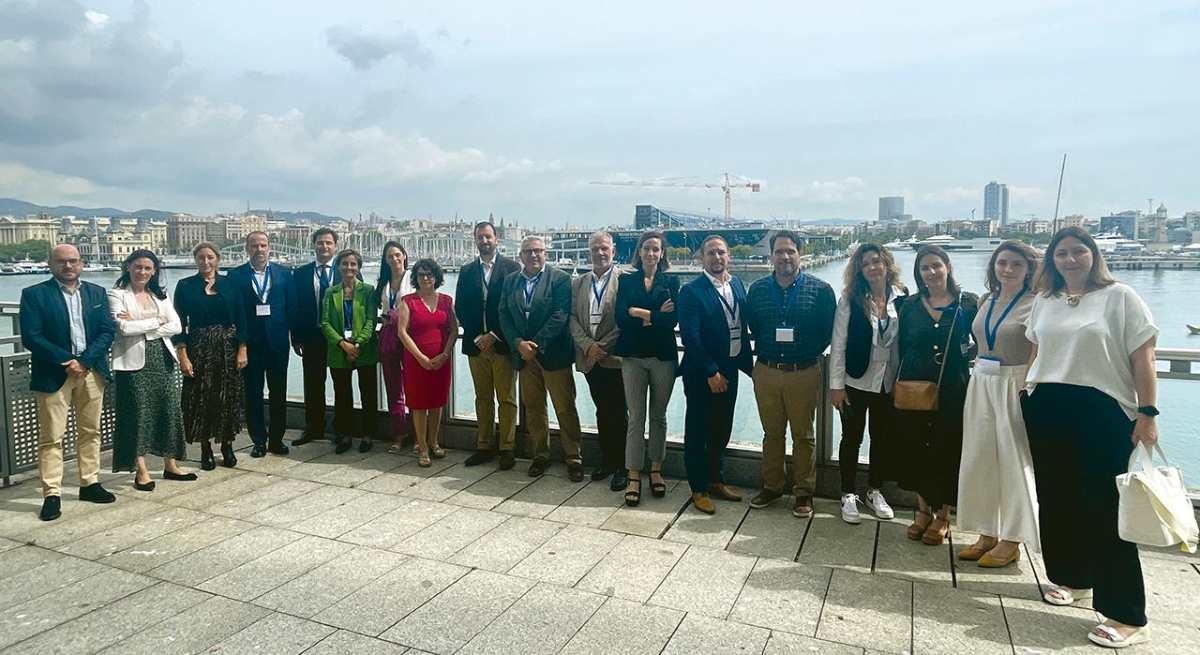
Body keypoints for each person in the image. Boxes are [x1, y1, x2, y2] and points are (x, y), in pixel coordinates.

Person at [1021, 226, 1158, 649]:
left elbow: (1144, 356)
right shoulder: (1045, 299)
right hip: (1048, 405)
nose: (1070, 259)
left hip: (1102, 409)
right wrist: (1026, 389)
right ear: (1052, 260)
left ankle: (1126, 613)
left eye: (1078, 251)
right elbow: (1036, 348)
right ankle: (1073, 577)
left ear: (1094, 255)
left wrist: (1148, 412)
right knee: (1057, 497)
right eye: (1061, 253)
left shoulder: (1121, 297)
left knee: (1104, 506)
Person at [957, 241, 1041, 566]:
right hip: (982, 380)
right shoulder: (986, 300)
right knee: (979, 457)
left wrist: (1027, 386)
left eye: (1016, 264)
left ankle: (1012, 539)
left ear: (1029, 269)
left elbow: (1039, 349)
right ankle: (986, 532)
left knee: (1013, 460)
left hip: (1014, 382)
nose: (1008, 269)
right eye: (1002, 262)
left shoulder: (1036, 303)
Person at [19, 244, 117, 521]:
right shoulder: (34, 295)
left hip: (91, 370)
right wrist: (67, 360)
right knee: (52, 436)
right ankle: (52, 493)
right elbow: (32, 336)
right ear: (50, 264)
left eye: (73, 261)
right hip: (53, 373)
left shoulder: (96, 293)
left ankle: (89, 483)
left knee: (91, 431)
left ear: (81, 263)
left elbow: (106, 331)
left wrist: (84, 361)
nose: (68, 266)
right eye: (61, 261)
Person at [744, 230, 836, 519]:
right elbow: (753, 325)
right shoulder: (757, 289)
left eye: (790, 251)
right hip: (767, 370)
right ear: (771, 255)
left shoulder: (821, 290)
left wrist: (804, 351)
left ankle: (803, 492)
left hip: (803, 371)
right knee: (771, 433)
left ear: (799, 253)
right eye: (779, 251)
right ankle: (772, 486)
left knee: (803, 435)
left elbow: (827, 332)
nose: (784, 256)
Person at [894, 245, 979, 546]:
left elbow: (982, 342)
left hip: (952, 387)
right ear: (919, 273)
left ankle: (943, 515)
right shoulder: (909, 305)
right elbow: (901, 345)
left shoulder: (968, 303)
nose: (931, 272)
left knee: (947, 447)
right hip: (914, 386)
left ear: (947, 267)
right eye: (924, 268)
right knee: (916, 446)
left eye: (936, 265)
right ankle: (922, 511)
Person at [677, 236, 753, 514]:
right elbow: (690, 337)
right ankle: (698, 489)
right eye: (711, 253)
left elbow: (741, 327)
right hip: (702, 373)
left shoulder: (737, 284)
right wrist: (711, 371)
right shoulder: (691, 291)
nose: (716, 257)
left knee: (722, 429)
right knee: (698, 432)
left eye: (721, 252)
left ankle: (715, 480)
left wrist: (751, 369)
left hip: (730, 368)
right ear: (702, 258)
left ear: (728, 255)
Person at [498, 236, 584, 480]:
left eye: (537, 251)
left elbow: (561, 314)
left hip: (553, 354)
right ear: (520, 256)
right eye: (528, 251)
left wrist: (535, 344)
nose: (533, 255)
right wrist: (518, 343)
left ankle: (574, 457)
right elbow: (504, 314)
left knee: (565, 408)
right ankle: (540, 455)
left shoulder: (560, 278)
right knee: (534, 407)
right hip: (525, 358)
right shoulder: (511, 281)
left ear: (545, 254)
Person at [828, 243, 903, 524]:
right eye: (865, 264)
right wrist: (837, 386)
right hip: (855, 382)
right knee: (851, 438)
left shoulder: (902, 298)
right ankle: (848, 493)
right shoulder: (850, 299)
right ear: (859, 270)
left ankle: (874, 491)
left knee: (881, 439)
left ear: (886, 264)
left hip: (887, 382)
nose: (872, 267)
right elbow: (839, 343)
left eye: (876, 261)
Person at [108, 250, 194, 491]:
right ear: (128, 267)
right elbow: (123, 328)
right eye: (138, 267)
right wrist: (157, 321)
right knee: (137, 414)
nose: (142, 272)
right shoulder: (116, 295)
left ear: (154, 271)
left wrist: (142, 327)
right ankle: (141, 470)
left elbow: (176, 326)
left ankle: (171, 464)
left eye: (147, 268)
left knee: (168, 409)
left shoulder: (160, 295)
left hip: (162, 360)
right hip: (132, 364)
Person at [614, 231, 679, 506]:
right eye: (646, 248)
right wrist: (654, 315)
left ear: (662, 253)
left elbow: (672, 320)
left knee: (658, 416)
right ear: (639, 252)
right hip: (633, 357)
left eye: (656, 249)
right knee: (635, 418)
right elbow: (620, 317)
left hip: (663, 358)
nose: (651, 253)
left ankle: (655, 470)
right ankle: (633, 475)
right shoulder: (626, 280)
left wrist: (638, 312)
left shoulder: (672, 282)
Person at [174, 242, 247, 470]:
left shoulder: (231, 284)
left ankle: (227, 444)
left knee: (228, 397)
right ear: (195, 260)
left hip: (227, 348)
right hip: (198, 348)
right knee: (201, 398)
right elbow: (179, 323)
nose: (206, 262)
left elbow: (241, 318)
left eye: (210, 257)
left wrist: (242, 348)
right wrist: (182, 354)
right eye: (201, 258)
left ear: (218, 259)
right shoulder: (185, 286)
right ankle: (205, 446)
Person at [457, 221, 521, 469]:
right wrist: (477, 338)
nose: (484, 241)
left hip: (502, 344)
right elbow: (461, 307)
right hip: (476, 346)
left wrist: (493, 335)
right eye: (480, 237)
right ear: (475, 240)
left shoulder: (512, 268)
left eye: (488, 236)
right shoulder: (466, 271)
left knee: (507, 399)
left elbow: (514, 307)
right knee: (482, 398)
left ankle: (507, 447)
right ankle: (484, 445)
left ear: (497, 239)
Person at [228, 231, 297, 458]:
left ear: (269, 247)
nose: (259, 249)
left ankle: (276, 439)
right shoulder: (235, 275)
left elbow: (292, 307)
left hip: (278, 342)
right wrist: (240, 342)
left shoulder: (284, 273)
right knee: (253, 393)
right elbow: (234, 311)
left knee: (279, 392)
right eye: (254, 245)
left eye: (263, 245)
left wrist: (291, 336)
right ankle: (258, 441)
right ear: (247, 248)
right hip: (251, 343)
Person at [568, 231, 628, 490]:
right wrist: (588, 346)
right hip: (590, 358)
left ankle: (624, 466)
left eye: (604, 248)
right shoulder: (579, 282)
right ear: (589, 253)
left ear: (613, 251)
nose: (599, 253)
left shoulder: (625, 281)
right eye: (595, 249)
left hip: (615, 358)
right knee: (602, 410)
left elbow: (625, 320)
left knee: (620, 413)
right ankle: (607, 459)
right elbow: (571, 318)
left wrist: (602, 346)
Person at [397, 259, 458, 467]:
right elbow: (402, 332)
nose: (425, 278)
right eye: (421, 275)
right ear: (415, 278)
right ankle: (422, 447)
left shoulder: (447, 301)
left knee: (437, 402)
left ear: (436, 277)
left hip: (441, 361)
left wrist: (445, 355)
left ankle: (434, 442)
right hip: (416, 362)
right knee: (419, 404)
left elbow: (454, 330)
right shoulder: (408, 301)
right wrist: (421, 358)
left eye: (429, 274)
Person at [321, 249, 379, 454]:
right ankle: (344, 434)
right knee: (342, 395)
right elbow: (325, 322)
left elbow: (371, 320)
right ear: (338, 267)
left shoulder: (368, 290)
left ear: (359, 267)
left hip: (364, 350)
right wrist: (342, 344)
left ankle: (368, 434)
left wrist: (358, 344)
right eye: (345, 264)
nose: (349, 268)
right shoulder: (330, 292)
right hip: (339, 351)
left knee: (368, 393)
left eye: (353, 264)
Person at [290, 227, 338, 446]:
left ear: (335, 246)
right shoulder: (301, 273)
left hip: (338, 339)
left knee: (341, 384)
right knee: (313, 384)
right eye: (320, 242)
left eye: (328, 243)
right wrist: (296, 338)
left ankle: (342, 428)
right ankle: (313, 427)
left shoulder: (346, 270)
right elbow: (295, 308)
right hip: (311, 337)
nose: (324, 246)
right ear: (314, 245)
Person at [373, 240, 412, 453]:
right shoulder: (383, 282)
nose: (394, 259)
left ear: (404, 255)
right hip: (389, 336)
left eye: (397, 254)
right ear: (385, 260)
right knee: (393, 386)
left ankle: (419, 433)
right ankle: (399, 432)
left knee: (414, 385)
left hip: (410, 336)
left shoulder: (413, 279)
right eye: (390, 256)